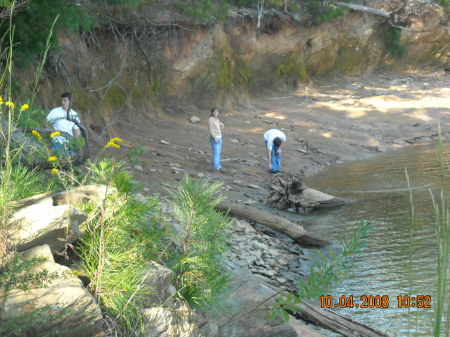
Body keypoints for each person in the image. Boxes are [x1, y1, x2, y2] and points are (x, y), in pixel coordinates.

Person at [46, 92, 82, 156]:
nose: (63, 102)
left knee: (70, 163)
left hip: (69, 144)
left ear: (70, 101)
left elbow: (77, 131)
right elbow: (46, 123)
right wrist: (53, 132)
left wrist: (75, 143)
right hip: (57, 143)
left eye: (65, 100)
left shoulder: (74, 114)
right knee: (56, 163)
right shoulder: (55, 112)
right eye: (61, 100)